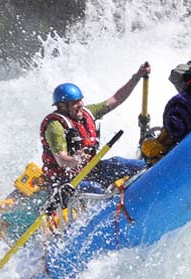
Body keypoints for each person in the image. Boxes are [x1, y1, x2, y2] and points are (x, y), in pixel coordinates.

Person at [41, 62, 151, 193]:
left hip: (89, 170)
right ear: (63, 106)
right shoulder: (55, 126)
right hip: (66, 182)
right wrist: (76, 160)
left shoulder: (88, 113)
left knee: (123, 164)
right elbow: (62, 160)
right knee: (95, 189)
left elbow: (117, 98)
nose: (80, 105)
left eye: (80, 100)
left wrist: (137, 76)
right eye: (75, 103)